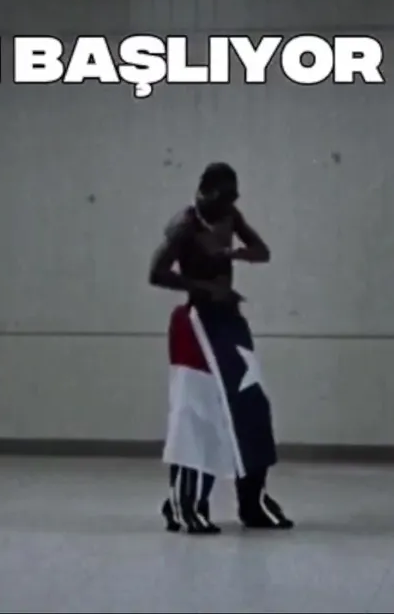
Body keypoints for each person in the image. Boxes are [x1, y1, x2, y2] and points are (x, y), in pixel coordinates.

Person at [148, 162, 294, 535]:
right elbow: (156, 273)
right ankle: (185, 503)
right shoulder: (185, 225)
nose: (231, 203)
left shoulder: (230, 216)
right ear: (206, 192)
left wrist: (234, 255)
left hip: (229, 323)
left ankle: (253, 500)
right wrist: (204, 287)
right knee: (198, 413)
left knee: (252, 407)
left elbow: (262, 251)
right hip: (198, 324)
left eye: (234, 197)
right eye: (225, 196)